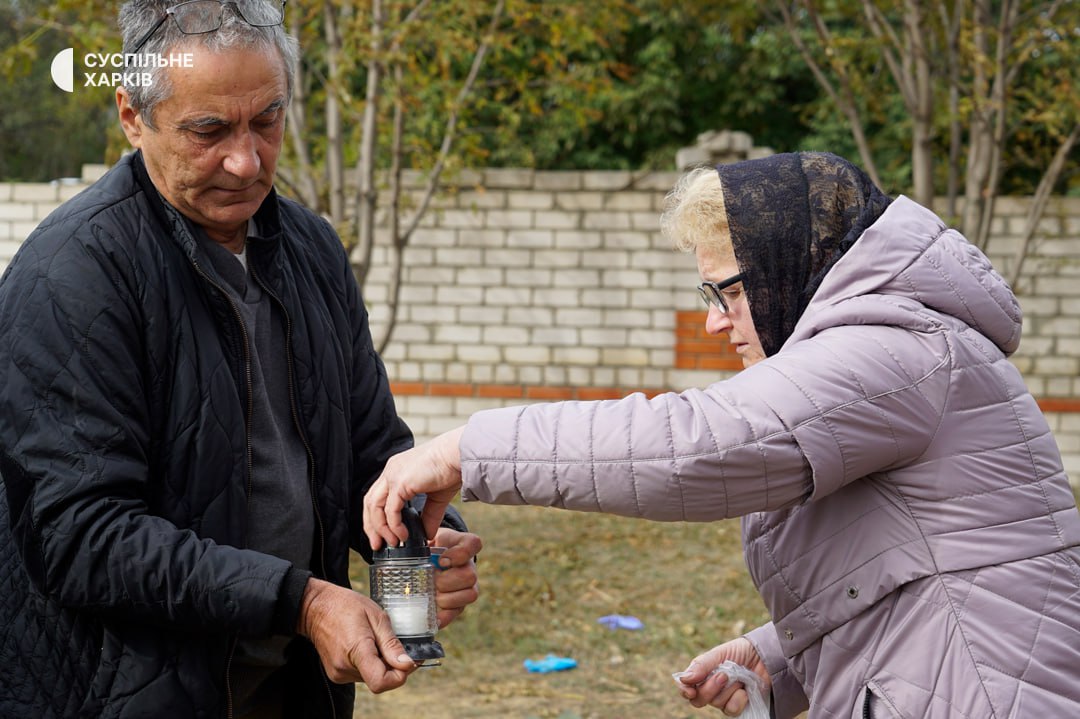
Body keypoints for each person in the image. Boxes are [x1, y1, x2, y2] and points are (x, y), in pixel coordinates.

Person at [361, 152, 1080, 718]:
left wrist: (465, 450)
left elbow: (694, 446)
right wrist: (781, 655)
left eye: (730, 290)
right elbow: (918, 565)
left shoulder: (893, 350)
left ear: (793, 267)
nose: (714, 321)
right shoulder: (899, 345)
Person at [0, 1, 481, 716]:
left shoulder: (312, 250)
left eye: (267, 120)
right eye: (209, 130)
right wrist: (302, 601)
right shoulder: (73, 275)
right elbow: (81, 537)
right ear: (132, 116)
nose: (246, 160)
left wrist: (422, 537)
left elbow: (369, 452)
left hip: (291, 688)